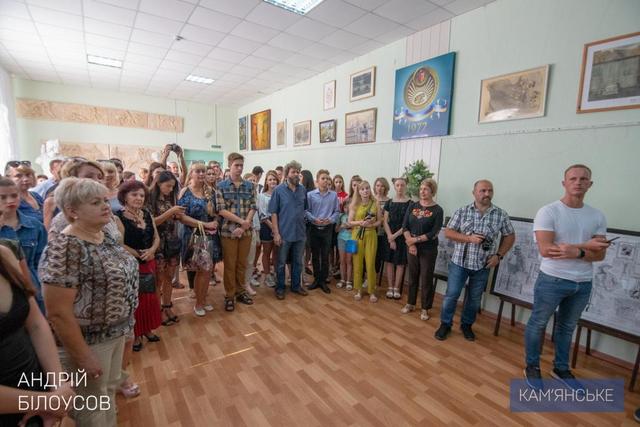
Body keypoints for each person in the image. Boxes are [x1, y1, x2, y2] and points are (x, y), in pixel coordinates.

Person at [40, 177, 138, 427]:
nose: (106, 206)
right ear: (72, 211)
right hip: (89, 342)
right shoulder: (66, 247)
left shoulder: (102, 236)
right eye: (95, 203)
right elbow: (58, 312)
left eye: (105, 200)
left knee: (107, 394)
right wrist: (83, 356)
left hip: (115, 334)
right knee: (91, 407)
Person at [524, 165, 610, 387]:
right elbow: (546, 250)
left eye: (583, 179)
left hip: (583, 283)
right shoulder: (549, 211)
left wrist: (577, 252)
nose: (578, 182)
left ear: (590, 184)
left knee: (567, 327)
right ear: (564, 183)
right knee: (538, 323)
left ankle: (561, 368)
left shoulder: (597, 215)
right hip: (552, 280)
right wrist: (585, 247)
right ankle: (532, 366)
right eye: (573, 178)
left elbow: (600, 254)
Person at [0, 244, 75, 426]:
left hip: (38, 394)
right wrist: (46, 402)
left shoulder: (4, 255)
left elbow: (35, 324)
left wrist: (57, 385)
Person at [435, 180, 515, 341]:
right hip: (460, 263)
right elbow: (448, 232)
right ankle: (445, 324)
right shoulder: (462, 211)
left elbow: (510, 236)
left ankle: (466, 325)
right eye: (483, 190)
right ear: (474, 193)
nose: (487, 194)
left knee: (474, 299)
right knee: (451, 295)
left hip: (483, 265)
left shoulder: (500, 214)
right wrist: (469, 238)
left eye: (490, 191)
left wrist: (499, 256)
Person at [115, 180, 162, 352]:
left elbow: (156, 237)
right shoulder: (118, 217)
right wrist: (140, 254)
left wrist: (152, 250)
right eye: (134, 194)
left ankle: (147, 329)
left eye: (142, 195)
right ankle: (136, 334)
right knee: (136, 301)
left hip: (150, 262)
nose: (139, 198)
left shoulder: (147, 213)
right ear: (125, 197)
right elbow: (119, 244)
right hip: (132, 264)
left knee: (150, 298)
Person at [216, 153, 257, 311]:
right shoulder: (221, 186)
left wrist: (245, 225)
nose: (239, 168)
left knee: (242, 263)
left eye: (241, 165)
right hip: (229, 232)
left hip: (245, 232)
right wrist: (241, 222)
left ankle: (241, 291)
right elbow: (221, 209)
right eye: (236, 165)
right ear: (229, 166)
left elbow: (253, 206)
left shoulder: (250, 186)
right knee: (230, 265)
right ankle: (229, 295)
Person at [178, 163, 220, 316]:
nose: (202, 174)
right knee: (200, 271)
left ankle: (203, 299)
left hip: (210, 236)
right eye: (198, 171)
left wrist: (215, 221)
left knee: (207, 271)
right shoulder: (185, 191)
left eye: (204, 171)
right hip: (193, 235)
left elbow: (217, 212)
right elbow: (181, 217)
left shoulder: (211, 191)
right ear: (191, 173)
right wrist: (205, 224)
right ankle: (199, 303)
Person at [0, 178, 47, 313]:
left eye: (14, 195)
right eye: (2, 197)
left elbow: (43, 261)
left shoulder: (35, 225)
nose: (10, 201)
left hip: (34, 287)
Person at [401, 179, 443, 320]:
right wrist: (411, 244)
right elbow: (405, 226)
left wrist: (415, 240)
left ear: (432, 191)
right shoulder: (413, 206)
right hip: (411, 247)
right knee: (412, 276)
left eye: (426, 189)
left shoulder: (438, 210)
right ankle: (410, 303)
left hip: (428, 249)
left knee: (426, 278)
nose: (422, 192)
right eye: (421, 189)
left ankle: (425, 308)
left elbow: (434, 232)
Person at [269, 160, 309, 300]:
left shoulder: (302, 190)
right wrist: (276, 233)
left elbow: (305, 210)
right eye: (293, 172)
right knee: (281, 263)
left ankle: (296, 286)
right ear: (287, 174)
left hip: (300, 233)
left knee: (298, 262)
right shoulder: (278, 190)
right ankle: (280, 288)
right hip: (284, 233)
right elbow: (273, 213)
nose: (296, 174)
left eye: (298, 172)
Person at [44, 159, 105, 230]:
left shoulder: (103, 200)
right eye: (89, 177)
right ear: (72, 178)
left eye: (100, 177)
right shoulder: (52, 201)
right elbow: (47, 231)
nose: (98, 181)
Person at [306, 169, 340, 294]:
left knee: (325, 255)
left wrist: (330, 220)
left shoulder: (333, 195)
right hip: (314, 228)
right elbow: (306, 211)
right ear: (317, 180)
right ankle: (316, 279)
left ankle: (323, 280)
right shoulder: (310, 195)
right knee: (315, 255)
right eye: (323, 178)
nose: (326, 180)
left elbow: (337, 211)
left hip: (327, 229)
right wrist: (314, 219)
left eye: (327, 178)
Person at [349, 180, 382, 302]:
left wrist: (371, 225)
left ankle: (371, 291)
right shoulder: (354, 205)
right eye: (362, 189)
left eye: (367, 188)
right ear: (358, 191)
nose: (365, 191)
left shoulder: (375, 203)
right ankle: (358, 290)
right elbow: (350, 221)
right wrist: (360, 222)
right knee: (357, 263)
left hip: (371, 235)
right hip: (357, 235)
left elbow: (380, 221)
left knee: (370, 263)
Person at [383, 177, 411, 299]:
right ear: (394, 186)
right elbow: (385, 221)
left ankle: (396, 287)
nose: (400, 187)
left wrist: (394, 236)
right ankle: (390, 287)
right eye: (398, 185)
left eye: (402, 185)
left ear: (406, 186)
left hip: (402, 235)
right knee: (389, 261)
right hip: (389, 234)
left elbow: (407, 224)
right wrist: (390, 237)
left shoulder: (410, 203)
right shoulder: (389, 202)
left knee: (400, 263)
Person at [257, 170, 279, 287]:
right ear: (266, 182)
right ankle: (267, 275)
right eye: (270, 179)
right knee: (266, 252)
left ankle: (275, 273)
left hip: (279, 225)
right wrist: (273, 228)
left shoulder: (280, 195)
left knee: (276, 252)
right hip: (266, 226)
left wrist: (277, 229)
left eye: (274, 179)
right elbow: (262, 214)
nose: (272, 181)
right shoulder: (262, 196)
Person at [336, 200, 353, 290]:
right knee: (342, 261)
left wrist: (351, 228)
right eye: (346, 207)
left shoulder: (354, 216)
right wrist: (341, 226)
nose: (347, 209)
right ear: (343, 208)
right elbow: (336, 230)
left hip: (351, 240)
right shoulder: (341, 216)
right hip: (341, 239)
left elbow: (357, 229)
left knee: (349, 261)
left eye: (349, 208)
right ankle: (342, 280)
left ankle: (349, 281)